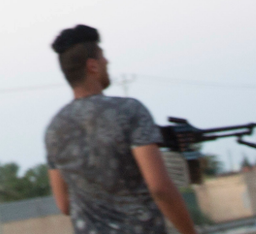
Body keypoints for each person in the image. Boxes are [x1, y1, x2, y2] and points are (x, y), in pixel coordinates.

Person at [44, 25, 197, 234]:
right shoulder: (129, 111)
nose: (107, 62)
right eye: (102, 57)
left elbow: (63, 204)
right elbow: (160, 188)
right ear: (93, 66)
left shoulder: (53, 130)